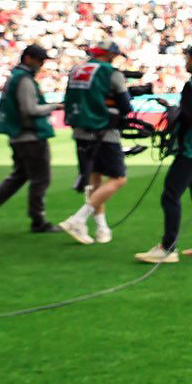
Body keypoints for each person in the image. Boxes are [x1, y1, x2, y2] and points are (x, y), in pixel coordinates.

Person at [138, 46, 192, 264]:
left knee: (170, 196)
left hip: (191, 151)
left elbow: (187, 117)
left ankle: (167, 248)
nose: (185, 61)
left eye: (187, 58)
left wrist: (171, 116)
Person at [0, 42, 59, 236]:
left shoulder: (16, 77)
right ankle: (38, 221)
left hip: (19, 136)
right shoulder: (24, 79)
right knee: (40, 179)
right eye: (39, 60)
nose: (41, 65)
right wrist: (55, 106)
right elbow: (30, 110)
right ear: (28, 59)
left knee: (19, 177)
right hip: (30, 137)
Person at [58, 41, 133, 245]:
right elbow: (126, 105)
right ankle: (78, 219)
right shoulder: (111, 73)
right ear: (110, 55)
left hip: (80, 131)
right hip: (104, 132)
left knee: (94, 181)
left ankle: (101, 228)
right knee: (118, 179)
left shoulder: (76, 69)